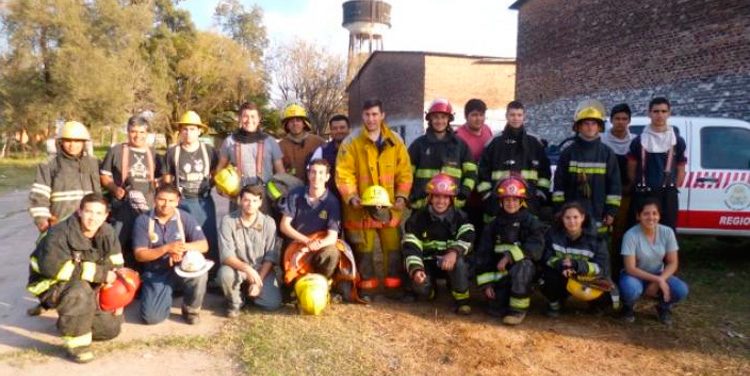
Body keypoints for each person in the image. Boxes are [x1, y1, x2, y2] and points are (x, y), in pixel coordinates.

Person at [26, 193, 124, 363]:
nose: (93, 218)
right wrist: (101, 275)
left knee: (109, 329)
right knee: (78, 292)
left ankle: (69, 321)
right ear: (79, 211)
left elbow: (117, 265)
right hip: (50, 283)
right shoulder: (58, 233)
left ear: (106, 216)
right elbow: (55, 270)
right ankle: (78, 347)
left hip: (86, 283)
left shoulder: (108, 232)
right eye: (88, 212)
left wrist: (119, 299)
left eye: (99, 213)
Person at [336, 99, 413, 299]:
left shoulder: (395, 141)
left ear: (382, 115)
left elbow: (404, 172)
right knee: (365, 250)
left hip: (389, 208)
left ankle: (394, 288)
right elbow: (344, 174)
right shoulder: (351, 142)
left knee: (393, 248)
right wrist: (351, 197)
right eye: (367, 115)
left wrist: (402, 197)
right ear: (362, 116)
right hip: (361, 208)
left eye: (375, 114)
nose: (371, 119)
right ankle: (367, 289)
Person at [279, 159, 358, 302]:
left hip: (318, 247)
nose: (317, 176)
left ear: (327, 177)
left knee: (332, 252)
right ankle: (294, 283)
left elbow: (332, 237)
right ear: (308, 175)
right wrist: (306, 242)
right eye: (313, 172)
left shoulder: (332, 202)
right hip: (295, 246)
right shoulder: (295, 195)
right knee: (291, 293)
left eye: (321, 173)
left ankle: (324, 284)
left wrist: (308, 248)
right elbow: (284, 226)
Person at [132, 185, 209, 325]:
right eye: (162, 199)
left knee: (200, 273)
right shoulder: (143, 220)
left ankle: (191, 309)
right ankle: (163, 296)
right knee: (151, 318)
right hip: (156, 272)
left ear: (178, 201)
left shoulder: (185, 217)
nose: (166, 204)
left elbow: (204, 245)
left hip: (181, 268)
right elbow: (139, 255)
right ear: (155, 199)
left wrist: (180, 248)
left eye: (171, 201)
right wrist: (167, 248)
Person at [475, 177, 545, 325]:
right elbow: (483, 254)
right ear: (501, 202)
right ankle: (505, 297)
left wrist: (509, 256)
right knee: (495, 309)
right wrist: (487, 284)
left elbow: (536, 247)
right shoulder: (493, 225)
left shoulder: (531, 222)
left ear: (521, 201)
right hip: (501, 275)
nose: (511, 203)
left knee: (523, 264)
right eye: (507, 200)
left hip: (525, 272)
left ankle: (518, 310)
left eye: (515, 200)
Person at [402, 173, 475, 314]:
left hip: (451, 263)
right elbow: (411, 248)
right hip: (428, 262)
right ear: (430, 198)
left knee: (460, 264)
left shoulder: (461, 217)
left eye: (445, 197)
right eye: (437, 196)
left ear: (451, 199)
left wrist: (453, 252)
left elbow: (468, 237)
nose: (441, 201)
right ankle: (431, 291)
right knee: (420, 286)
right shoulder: (417, 219)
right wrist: (417, 269)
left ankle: (462, 300)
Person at [162, 111, 220, 277]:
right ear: (180, 131)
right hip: (183, 202)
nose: (188, 133)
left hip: (203, 201)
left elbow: (217, 173)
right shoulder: (173, 152)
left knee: (208, 238)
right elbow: (167, 179)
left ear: (200, 131)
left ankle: (212, 277)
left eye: (192, 129)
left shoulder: (209, 151)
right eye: (185, 129)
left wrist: (213, 184)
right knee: (182, 237)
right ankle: (182, 274)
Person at [551, 99, 621, 236]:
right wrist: (560, 210)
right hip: (572, 216)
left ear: (599, 127)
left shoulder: (607, 153)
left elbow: (614, 186)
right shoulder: (568, 153)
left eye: (594, 123)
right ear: (578, 127)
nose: (590, 127)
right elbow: (559, 186)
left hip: (599, 213)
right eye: (586, 124)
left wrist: (611, 211)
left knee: (598, 250)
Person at [100, 115, 158, 267]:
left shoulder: (154, 154)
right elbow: (104, 176)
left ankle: (143, 281)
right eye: (133, 131)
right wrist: (114, 188)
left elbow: (160, 179)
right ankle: (114, 279)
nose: (137, 135)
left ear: (147, 133)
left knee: (144, 246)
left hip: (147, 209)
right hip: (123, 208)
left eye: (141, 132)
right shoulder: (116, 151)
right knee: (117, 245)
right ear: (127, 131)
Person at [619, 198, 689, 325]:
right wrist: (658, 280)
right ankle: (627, 307)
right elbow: (630, 268)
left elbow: (673, 262)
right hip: (635, 275)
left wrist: (660, 278)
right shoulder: (630, 235)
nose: (651, 217)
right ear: (638, 216)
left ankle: (663, 308)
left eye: (654, 213)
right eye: (646, 214)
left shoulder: (667, 232)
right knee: (631, 289)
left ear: (659, 215)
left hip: (658, 273)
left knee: (681, 289)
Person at [478, 101, 551, 220]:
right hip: (498, 203)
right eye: (512, 115)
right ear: (506, 116)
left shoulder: (534, 143)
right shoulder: (494, 143)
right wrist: (487, 196)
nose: (516, 118)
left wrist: (540, 194)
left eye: (519, 115)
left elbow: (545, 172)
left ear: (524, 116)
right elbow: (482, 172)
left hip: (529, 203)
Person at [217, 184, 282, 317]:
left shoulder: (268, 223)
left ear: (260, 202)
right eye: (246, 200)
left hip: (260, 271)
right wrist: (247, 269)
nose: (250, 204)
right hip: (238, 269)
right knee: (225, 274)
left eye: (254, 200)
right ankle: (235, 302)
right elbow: (226, 255)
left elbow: (270, 256)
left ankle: (250, 292)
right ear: (240, 201)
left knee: (272, 304)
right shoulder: (228, 221)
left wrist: (258, 281)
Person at [541, 202, 613, 317]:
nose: (572, 221)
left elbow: (601, 268)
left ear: (583, 218)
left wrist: (577, 265)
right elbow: (546, 257)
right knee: (548, 276)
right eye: (567, 218)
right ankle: (556, 304)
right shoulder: (553, 235)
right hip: (563, 275)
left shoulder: (596, 240)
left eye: (575, 217)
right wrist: (561, 264)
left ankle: (595, 306)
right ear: (562, 219)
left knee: (606, 295)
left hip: (588, 279)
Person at [29, 121, 101, 233]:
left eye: (77, 141)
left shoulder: (95, 164)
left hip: (92, 226)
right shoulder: (49, 165)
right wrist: (42, 220)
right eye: (68, 141)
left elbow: (104, 194)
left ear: (84, 143)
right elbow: (39, 197)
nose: (72, 145)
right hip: (60, 225)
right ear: (60, 142)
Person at [627, 97, 687, 231]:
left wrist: (672, 187)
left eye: (663, 111)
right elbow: (631, 169)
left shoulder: (677, 141)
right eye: (656, 111)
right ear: (649, 113)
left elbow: (681, 168)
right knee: (639, 231)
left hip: (667, 195)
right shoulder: (638, 141)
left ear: (669, 113)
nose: (660, 115)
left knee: (667, 231)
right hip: (643, 194)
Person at [408, 98, 476, 210]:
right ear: (430, 119)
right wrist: (411, 196)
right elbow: (407, 174)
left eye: (443, 117)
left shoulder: (459, 145)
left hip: (451, 205)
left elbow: (471, 172)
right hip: (422, 205)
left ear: (449, 119)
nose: (439, 121)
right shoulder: (419, 145)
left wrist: (464, 192)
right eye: (435, 117)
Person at [216, 102, 285, 211]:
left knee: (264, 227)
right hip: (238, 197)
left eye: (253, 116)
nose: (249, 120)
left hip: (264, 198)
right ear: (239, 118)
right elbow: (220, 167)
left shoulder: (270, 142)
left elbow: (281, 172)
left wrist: (281, 194)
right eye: (245, 116)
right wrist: (220, 186)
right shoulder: (229, 141)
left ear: (259, 119)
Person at [601, 103, 636, 276]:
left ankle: (617, 271)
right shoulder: (601, 140)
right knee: (600, 232)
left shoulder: (635, 141)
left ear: (629, 121)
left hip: (625, 195)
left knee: (620, 234)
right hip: (602, 194)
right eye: (617, 118)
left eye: (624, 119)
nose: (621, 122)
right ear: (611, 120)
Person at [455, 99, 493, 239]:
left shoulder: (487, 130)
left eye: (481, 115)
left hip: (484, 194)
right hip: (467, 196)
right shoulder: (458, 136)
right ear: (466, 116)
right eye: (475, 115)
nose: (479, 119)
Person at [278, 104, 325, 181]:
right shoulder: (280, 146)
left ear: (304, 124)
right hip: (290, 189)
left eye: (298, 120)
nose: (295, 124)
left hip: (314, 187)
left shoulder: (318, 142)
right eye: (291, 121)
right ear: (287, 125)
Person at [310, 114, 351, 198]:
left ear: (349, 129)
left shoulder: (358, 149)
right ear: (331, 131)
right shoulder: (322, 151)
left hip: (353, 198)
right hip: (329, 199)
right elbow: (311, 174)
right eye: (334, 128)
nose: (338, 131)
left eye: (342, 127)